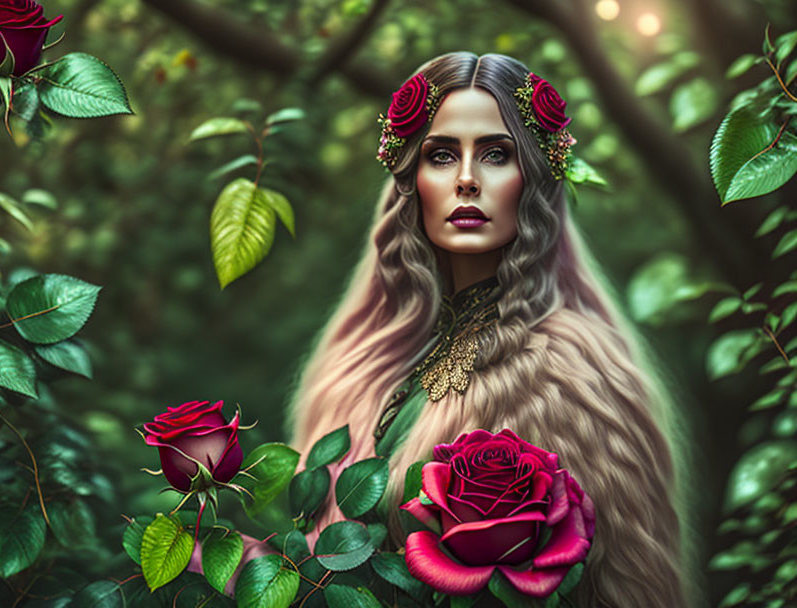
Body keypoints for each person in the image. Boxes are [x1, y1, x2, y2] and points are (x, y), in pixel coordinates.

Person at [285, 52, 705, 608]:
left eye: (495, 154)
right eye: (440, 155)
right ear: (411, 180)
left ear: (531, 176)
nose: (465, 179)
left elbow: (629, 589)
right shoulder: (382, 361)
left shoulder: (570, 375)